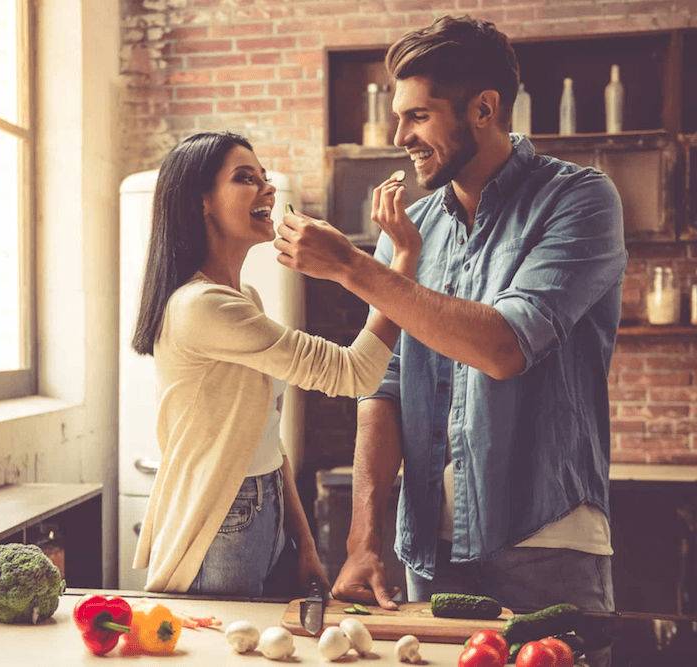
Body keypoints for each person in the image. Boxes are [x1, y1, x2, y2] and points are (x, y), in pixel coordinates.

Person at [274, 15, 627, 614]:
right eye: (398, 117)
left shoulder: (580, 200)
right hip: (429, 550)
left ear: (483, 108)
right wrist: (365, 537)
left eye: (418, 116)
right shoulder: (406, 235)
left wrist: (352, 267)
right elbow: (382, 388)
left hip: (546, 539)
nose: (400, 135)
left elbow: (504, 347)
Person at [130, 131, 422, 597]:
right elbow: (356, 373)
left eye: (264, 177)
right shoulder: (203, 307)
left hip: (261, 506)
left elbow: (265, 435)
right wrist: (401, 260)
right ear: (201, 201)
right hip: (221, 518)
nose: (267, 188)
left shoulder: (243, 299)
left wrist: (301, 542)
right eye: (246, 178)